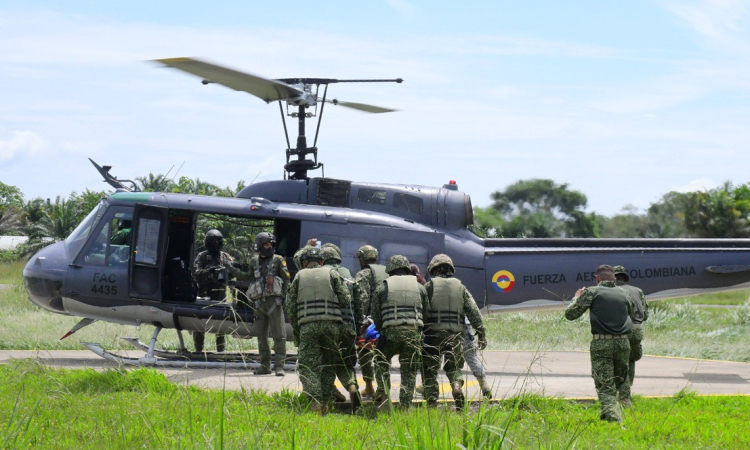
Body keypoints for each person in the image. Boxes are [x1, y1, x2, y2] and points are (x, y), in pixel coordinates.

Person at [286, 246, 358, 414]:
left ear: (304, 262)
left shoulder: (299, 276)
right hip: (332, 326)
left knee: (308, 365)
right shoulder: (332, 274)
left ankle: (315, 402)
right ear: (321, 261)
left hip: (308, 325)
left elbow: (290, 307)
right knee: (329, 364)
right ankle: (326, 402)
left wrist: (298, 328)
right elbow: (346, 299)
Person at [565, 264, 633, 423]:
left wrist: (577, 297)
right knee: (621, 380)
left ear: (597, 279)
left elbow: (570, 314)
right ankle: (623, 409)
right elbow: (630, 314)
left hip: (602, 344)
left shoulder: (592, 292)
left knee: (605, 384)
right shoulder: (625, 293)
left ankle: (614, 419)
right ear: (615, 279)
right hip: (623, 343)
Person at [422, 254, 487, 410]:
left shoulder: (428, 287)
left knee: (429, 368)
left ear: (433, 269)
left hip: (433, 334)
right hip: (456, 335)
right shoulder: (460, 287)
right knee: (453, 367)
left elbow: (421, 309)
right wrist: (481, 333)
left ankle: (431, 402)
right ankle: (456, 386)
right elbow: (473, 311)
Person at [228, 232, 290, 376]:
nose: (269, 247)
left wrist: (284, 298)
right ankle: (265, 366)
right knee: (261, 336)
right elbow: (247, 277)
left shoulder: (278, 260)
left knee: (279, 335)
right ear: (260, 246)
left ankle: (279, 366)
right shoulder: (254, 261)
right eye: (266, 244)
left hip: (275, 302)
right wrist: (231, 268)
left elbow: (287, 281)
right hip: (259, 304)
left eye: (271, 244)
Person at [371, 255, 427, 408]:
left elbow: (375, 313)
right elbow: (425, 312)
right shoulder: (420, 287)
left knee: (380, 360)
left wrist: (382, 328)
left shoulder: (383, 287)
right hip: (413, 333)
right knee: (409, 370)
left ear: (390, 270)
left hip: (390, 332)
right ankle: (405, 406)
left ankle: (383, 392)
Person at [353, 244, 389, 398]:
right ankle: (383, 388)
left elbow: (362, 300)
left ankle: (369, 387)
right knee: (384, 354)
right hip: (388, 318)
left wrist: (359, 324)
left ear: (362, 259)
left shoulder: (364, 274)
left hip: (371, 321)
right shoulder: (387, 272)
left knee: (365, 351)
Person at [613, 265, 649, 407]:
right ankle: (627, 393)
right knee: (631, 360)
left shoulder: (612, 291)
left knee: (619, 362)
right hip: (637, 330)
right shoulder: (638, 291)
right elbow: (645, 315)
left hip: (621, 331)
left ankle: (623, 397)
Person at [192, 229, 233, 353]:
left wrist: (225, 271)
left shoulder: (225, 256)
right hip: (204, 294)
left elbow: (233, 273)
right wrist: (210, 271)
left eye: (217, 243)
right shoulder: (202, 256)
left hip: (220, 295)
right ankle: (198, 350)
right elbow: (195, 273)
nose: (215, 246)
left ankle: (221, 350)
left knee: (220, 325)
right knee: (199, 323)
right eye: (213, 243)